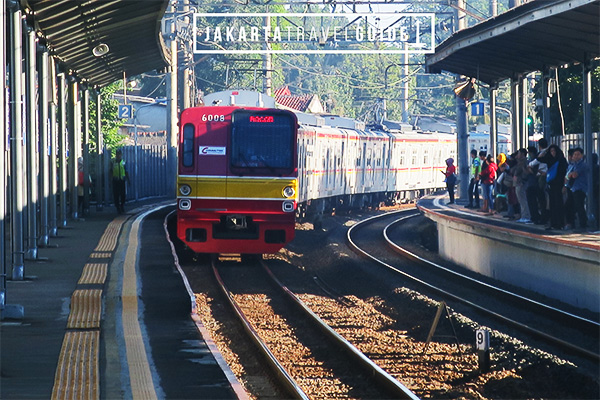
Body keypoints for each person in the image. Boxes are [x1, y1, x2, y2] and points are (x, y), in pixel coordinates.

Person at [538, 144, 568, 230]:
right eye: (551, 151)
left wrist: (564, 185)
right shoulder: (550, 160)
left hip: (559, 184)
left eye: (554, 151)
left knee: (559, 204)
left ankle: (560, 223)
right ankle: (553, 223)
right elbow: (539, 158)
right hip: (552, 184)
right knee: (552, 204)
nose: (553, 153)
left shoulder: (561, 160)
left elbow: (564, 172)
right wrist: (545, 150)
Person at [565, 147, 589, 230]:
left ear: (582, 155)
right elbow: (567, 176)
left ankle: (583, 224)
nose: (576, 156)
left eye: (578, 154)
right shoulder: (572, 165)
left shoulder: (582, 165)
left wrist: (570, 174)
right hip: (572, 188)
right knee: (570, 206)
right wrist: (569, 175)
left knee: (579, 206)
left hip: (580, 188)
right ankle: (571, 223)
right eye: (575, 154)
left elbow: (574, 175)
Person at [110, 149, 129, 213]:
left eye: (119, 154)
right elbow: (111, 171)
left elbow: (126, 171)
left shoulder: (123, 162)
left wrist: (128, 179)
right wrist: (110, 179)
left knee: (123, 194)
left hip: (122, 180)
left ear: (121, 155)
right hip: (115, 180)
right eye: (117, 154)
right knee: (116, 195)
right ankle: (118, 207)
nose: (118, 156)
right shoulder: (113, 162)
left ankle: (122, 205)